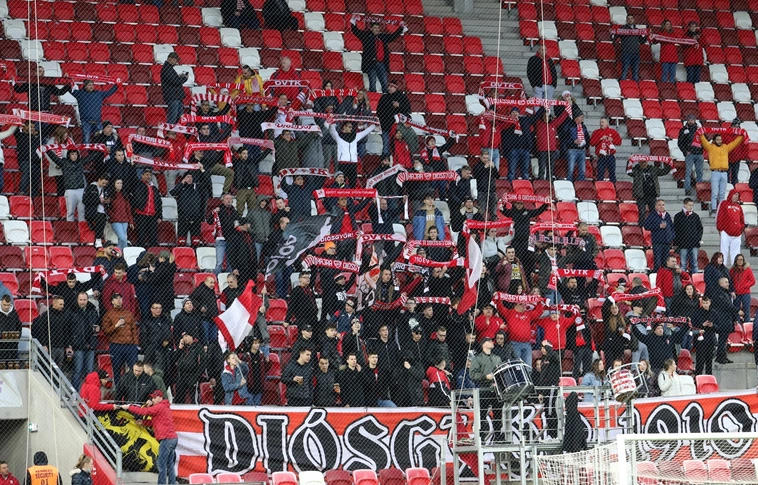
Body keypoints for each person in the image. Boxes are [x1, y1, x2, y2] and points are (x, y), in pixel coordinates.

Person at [120, 390, 178, 484]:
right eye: (152, 398)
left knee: (161, 464)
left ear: (160, 398)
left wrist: (129, 407)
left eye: (155, 398)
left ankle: (162, 483)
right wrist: (143, 423)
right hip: (172, 439)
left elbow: (145, 412)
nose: (153, 400)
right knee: (169, 464)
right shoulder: (163, 406)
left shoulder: (160, 407)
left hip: (167, 439)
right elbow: (155, 422)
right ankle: (172, 483)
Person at [350, 16, 407, 93]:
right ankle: (373, 98)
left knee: (384, 83)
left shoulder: (382, 36)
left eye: (378, 28)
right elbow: (356, 32)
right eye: (375, 28)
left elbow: (393, 36)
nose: (377, 29)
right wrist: (353, 22)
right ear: (371, 28)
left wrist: (401, 28)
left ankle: (385, 98)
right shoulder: (366, 35)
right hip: (370, 63)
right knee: (372, 83)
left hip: (381, 63)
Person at [700, 131, 744, 216]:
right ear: (714, 140)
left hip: (724, 173)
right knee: (715, 192)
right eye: (718, 139)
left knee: (722, 194)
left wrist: (741, 136)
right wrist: (701, 133)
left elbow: (734, 143)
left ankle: (721, 210)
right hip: (715, 172)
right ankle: (714, 209)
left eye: (720, 139)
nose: (719, 141)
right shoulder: (710, 147)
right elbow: (704, 141)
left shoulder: (725, 147)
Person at [470, 337, 502, 439]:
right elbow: (472, 374)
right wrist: (485, 377)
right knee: (482, 413)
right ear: (484, 344)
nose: (492, 342)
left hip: (496, 389)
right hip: (484, 388)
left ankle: (498, 436)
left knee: (498, 413)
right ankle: (481, 436)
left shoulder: (497, 358)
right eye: (489, 341)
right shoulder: (477, 358)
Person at [711, 277, 741, 364]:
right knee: (722, 340)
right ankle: (720, 358)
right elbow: (727, 305)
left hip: (726, 319)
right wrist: (737, 311)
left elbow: (729, 306)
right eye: (726, 282)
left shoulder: (725, 293)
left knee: (724, 340)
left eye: (728, 282)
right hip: (722, 320)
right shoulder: (718, 293)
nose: (728, 283)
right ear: (721, 284)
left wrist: (734, 318)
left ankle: (723, 356)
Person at [533, 107, 570, 180]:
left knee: (550, 168)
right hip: (542, 150)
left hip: (552, 150)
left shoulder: (553, 124)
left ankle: (549, 181)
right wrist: (543, 107)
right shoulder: (538, 123)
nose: (546, 118)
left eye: (548, 116)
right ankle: (541, 182)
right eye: (545, 116)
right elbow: (535, 116)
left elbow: (561, 118)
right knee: (542, 168)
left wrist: (567, 108)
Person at [632, 159, 671, 224]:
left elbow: (664, 171)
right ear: (639, 163)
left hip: (652, 195)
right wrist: (629, 162)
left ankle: (653, 225)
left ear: (647, 162)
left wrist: (666, 162)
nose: (643, 164)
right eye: (641, 162)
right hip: (641, 195)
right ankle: (642, 226)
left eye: (644, 162)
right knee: (642, 212)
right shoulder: (636, 170)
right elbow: (629, 172)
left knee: (653, 212)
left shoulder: (653, 169)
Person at [376, 81, 411, 155]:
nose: (389, 88)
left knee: (398, 147)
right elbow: (378, 111)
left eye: (391, 86)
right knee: (386, 146)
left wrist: (399, 106)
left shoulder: (402, 97)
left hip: (399, 128)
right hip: (386, 125)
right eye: (388, 86)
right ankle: (386, 161)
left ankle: (399, 160)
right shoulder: (384, 97)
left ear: (396, 88)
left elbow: (408, 109)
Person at [132, 168, 162, 248]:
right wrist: (137, 209)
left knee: (153, 236)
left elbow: (159, 203)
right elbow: (134, 199)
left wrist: (159, 216)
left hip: (152, 215)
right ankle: (141, 250)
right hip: (141, 214)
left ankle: (153, 250)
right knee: (141, 235)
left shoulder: (154, 188)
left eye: (150, 175)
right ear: (142, 176)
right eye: (146, 175)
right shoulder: (138, 185)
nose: (148, 177)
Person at [673, 198, 703, 275]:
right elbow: (675, 230)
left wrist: (698, 238)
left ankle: (694, 279)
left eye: (692, 205)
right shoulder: (678, 216)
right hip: (682, 244)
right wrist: (676, 242)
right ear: (685, 205)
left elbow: (700, 228)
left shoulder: (695, 216)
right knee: (683, 264)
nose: (691, 207)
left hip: (694, 243)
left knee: (694, 264)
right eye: (689, 205)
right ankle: (683, 278)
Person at [643, 199, 675, 272]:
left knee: (665, 263)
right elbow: (646, 226)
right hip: (657, 242)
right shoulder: (652, 215)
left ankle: (664, 276)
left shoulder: (667, 215)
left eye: (663, 205)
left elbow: (672, 227)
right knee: (657, 262)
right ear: (656, 206)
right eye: (659, 205)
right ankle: (656, 275)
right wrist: (658, 226)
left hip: (666, 242)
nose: (661, 206)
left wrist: (671, 237)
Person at [82, 172, 111, 248]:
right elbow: (85, 200)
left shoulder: (105, 189)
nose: (104, 185)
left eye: (106, 184)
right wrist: (98, 200)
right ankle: (98, 239)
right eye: (103, 183)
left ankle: (98, 240)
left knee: (102, 221)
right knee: (100, 220)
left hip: (102, 211)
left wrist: (106, 201)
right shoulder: (91, 187)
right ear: (99, 179)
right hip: (92, 211)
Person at [589, 117, 622, 182]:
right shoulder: (596, 132)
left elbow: (619, 142)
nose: (601, 124)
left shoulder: (612, 131)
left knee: (612, 173)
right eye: (600, 122)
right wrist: (600, 139)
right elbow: (592, 143)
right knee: (600, 174)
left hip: (610, 156)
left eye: (602, 122)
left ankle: (613, 186)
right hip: (601, 156)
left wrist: (612, 140)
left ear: (607, 123)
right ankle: (599, 186)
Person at [716, 189, 745, 263]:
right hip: (726, 232)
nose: (736, 196)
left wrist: (741, 229)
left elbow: (742, 219)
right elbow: (720, 216)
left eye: (737, 195)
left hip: (737, 234)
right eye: (735, 195)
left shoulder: (739, 206)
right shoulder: (724, 203)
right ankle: (722, 268)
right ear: (731, 195)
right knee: (723, 252)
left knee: (736, 254)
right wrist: (720, 229)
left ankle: (735, 269)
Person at [615, 14, 646, 81]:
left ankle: (635, 85)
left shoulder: (637, 30)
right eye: (628, 19)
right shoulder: (623, 29)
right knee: (625, 70)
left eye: (631, 18)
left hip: (636, 53)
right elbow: (615, 38)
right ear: (626, 20)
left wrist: (647, 35)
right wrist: (614, 32)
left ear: (634, 20)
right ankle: (622, 83)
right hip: (626, 52)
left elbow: (641, 41)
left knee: (635, 71)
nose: (630, 20)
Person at [678, 115, 703, 196]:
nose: (691, 121)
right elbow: (680, 143)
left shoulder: (699, 129)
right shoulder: (683, 130)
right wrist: (685, 151)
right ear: (687, 121)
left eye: (692, 120)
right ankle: (687, 189)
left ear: (695, 120)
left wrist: (702, 150)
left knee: (699, 172)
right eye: (689, 120)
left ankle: (700, 189)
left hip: (699, 153)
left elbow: (704, 140)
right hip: (690, 154)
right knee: (688, 172)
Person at [161, 53, 188, 124]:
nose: (176, 62)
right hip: (173, 96)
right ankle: (169, 130)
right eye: (176, 60)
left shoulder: (168, 68)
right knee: (173, 117)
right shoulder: (167, 69)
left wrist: (179, 77)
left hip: (175, 96)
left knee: (179, 116)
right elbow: (175, 82)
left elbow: (174, 80)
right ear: (171, 59)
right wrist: (184, 78)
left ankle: (173, 129)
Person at [692, 296, 717, 375]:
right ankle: (698, 378)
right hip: (700, 340)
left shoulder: (714, 313)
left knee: (709, 362)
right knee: (700, 362)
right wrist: (702, 325)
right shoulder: (697, 312)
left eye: (707, 303)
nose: (705, 305)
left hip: (710, 340)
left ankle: (708, 378)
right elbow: (693, 326)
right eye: (703, 303)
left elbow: (718, 327)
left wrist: (712, 325)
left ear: (710, 303)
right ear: (701, 303)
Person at [731, 254, 755, 319]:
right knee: (736, 311)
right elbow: (730, 280)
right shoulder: (732, 270)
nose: (740, 261)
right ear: (736, 261)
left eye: (741, 259)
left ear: (743, 260)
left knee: (746, 311)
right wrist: (732, 290)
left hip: (745, 293)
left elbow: (753, 281)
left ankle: (747, 324)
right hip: (736, 294)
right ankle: (737, 324)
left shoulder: (747, 269)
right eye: (738, 259)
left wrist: (745, 286)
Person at [0, 297, 21, 361]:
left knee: (13, 361)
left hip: (12, 343)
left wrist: (17, 337)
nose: (6, 307)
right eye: (4, 305)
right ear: (1, 303)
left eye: (8, 305)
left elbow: (19, 326)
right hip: (1, 344)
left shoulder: (14, 313)